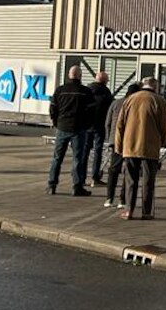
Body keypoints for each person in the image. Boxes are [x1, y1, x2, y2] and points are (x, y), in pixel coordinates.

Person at [115, 76, 166, 220]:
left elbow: (120, 124)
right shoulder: (161, 102)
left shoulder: (130, 100)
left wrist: (119, 146)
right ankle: (147, 211)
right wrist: (161, 142)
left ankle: (129, 211)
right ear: (155, 87)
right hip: (150, 146)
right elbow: (165, 127)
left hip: (130, 145)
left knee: (130, 179)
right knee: (148, 180)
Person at [47, 66, 93, 196]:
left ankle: (52, 185)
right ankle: (77, 186)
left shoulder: (60, 90)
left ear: (69, 75)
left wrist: (56, 123)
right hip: (79, 128)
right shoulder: (86, 92)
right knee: (77, 158)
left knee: (57, 157)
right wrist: (87, 125)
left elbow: (53, 109)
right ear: (80, 76)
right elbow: (91, 111)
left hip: (62, 127)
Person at [103, 82, 141, 208]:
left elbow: (108, 122)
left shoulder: (116, 103)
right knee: (129, 170)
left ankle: (109, 198)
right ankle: (123, 199)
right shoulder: (135, 105)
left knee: (113, 169)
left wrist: (110, 138)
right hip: (130, 141)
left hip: (115, 140)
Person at [86, 71, 113, 186]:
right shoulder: (106, 93)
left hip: (86, 125)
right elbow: (110, 110)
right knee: (98, 152)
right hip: (99, 125)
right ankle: (95, 177)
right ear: (105, 81)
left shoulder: (87, 91)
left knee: (84, 151)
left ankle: (80, 178)